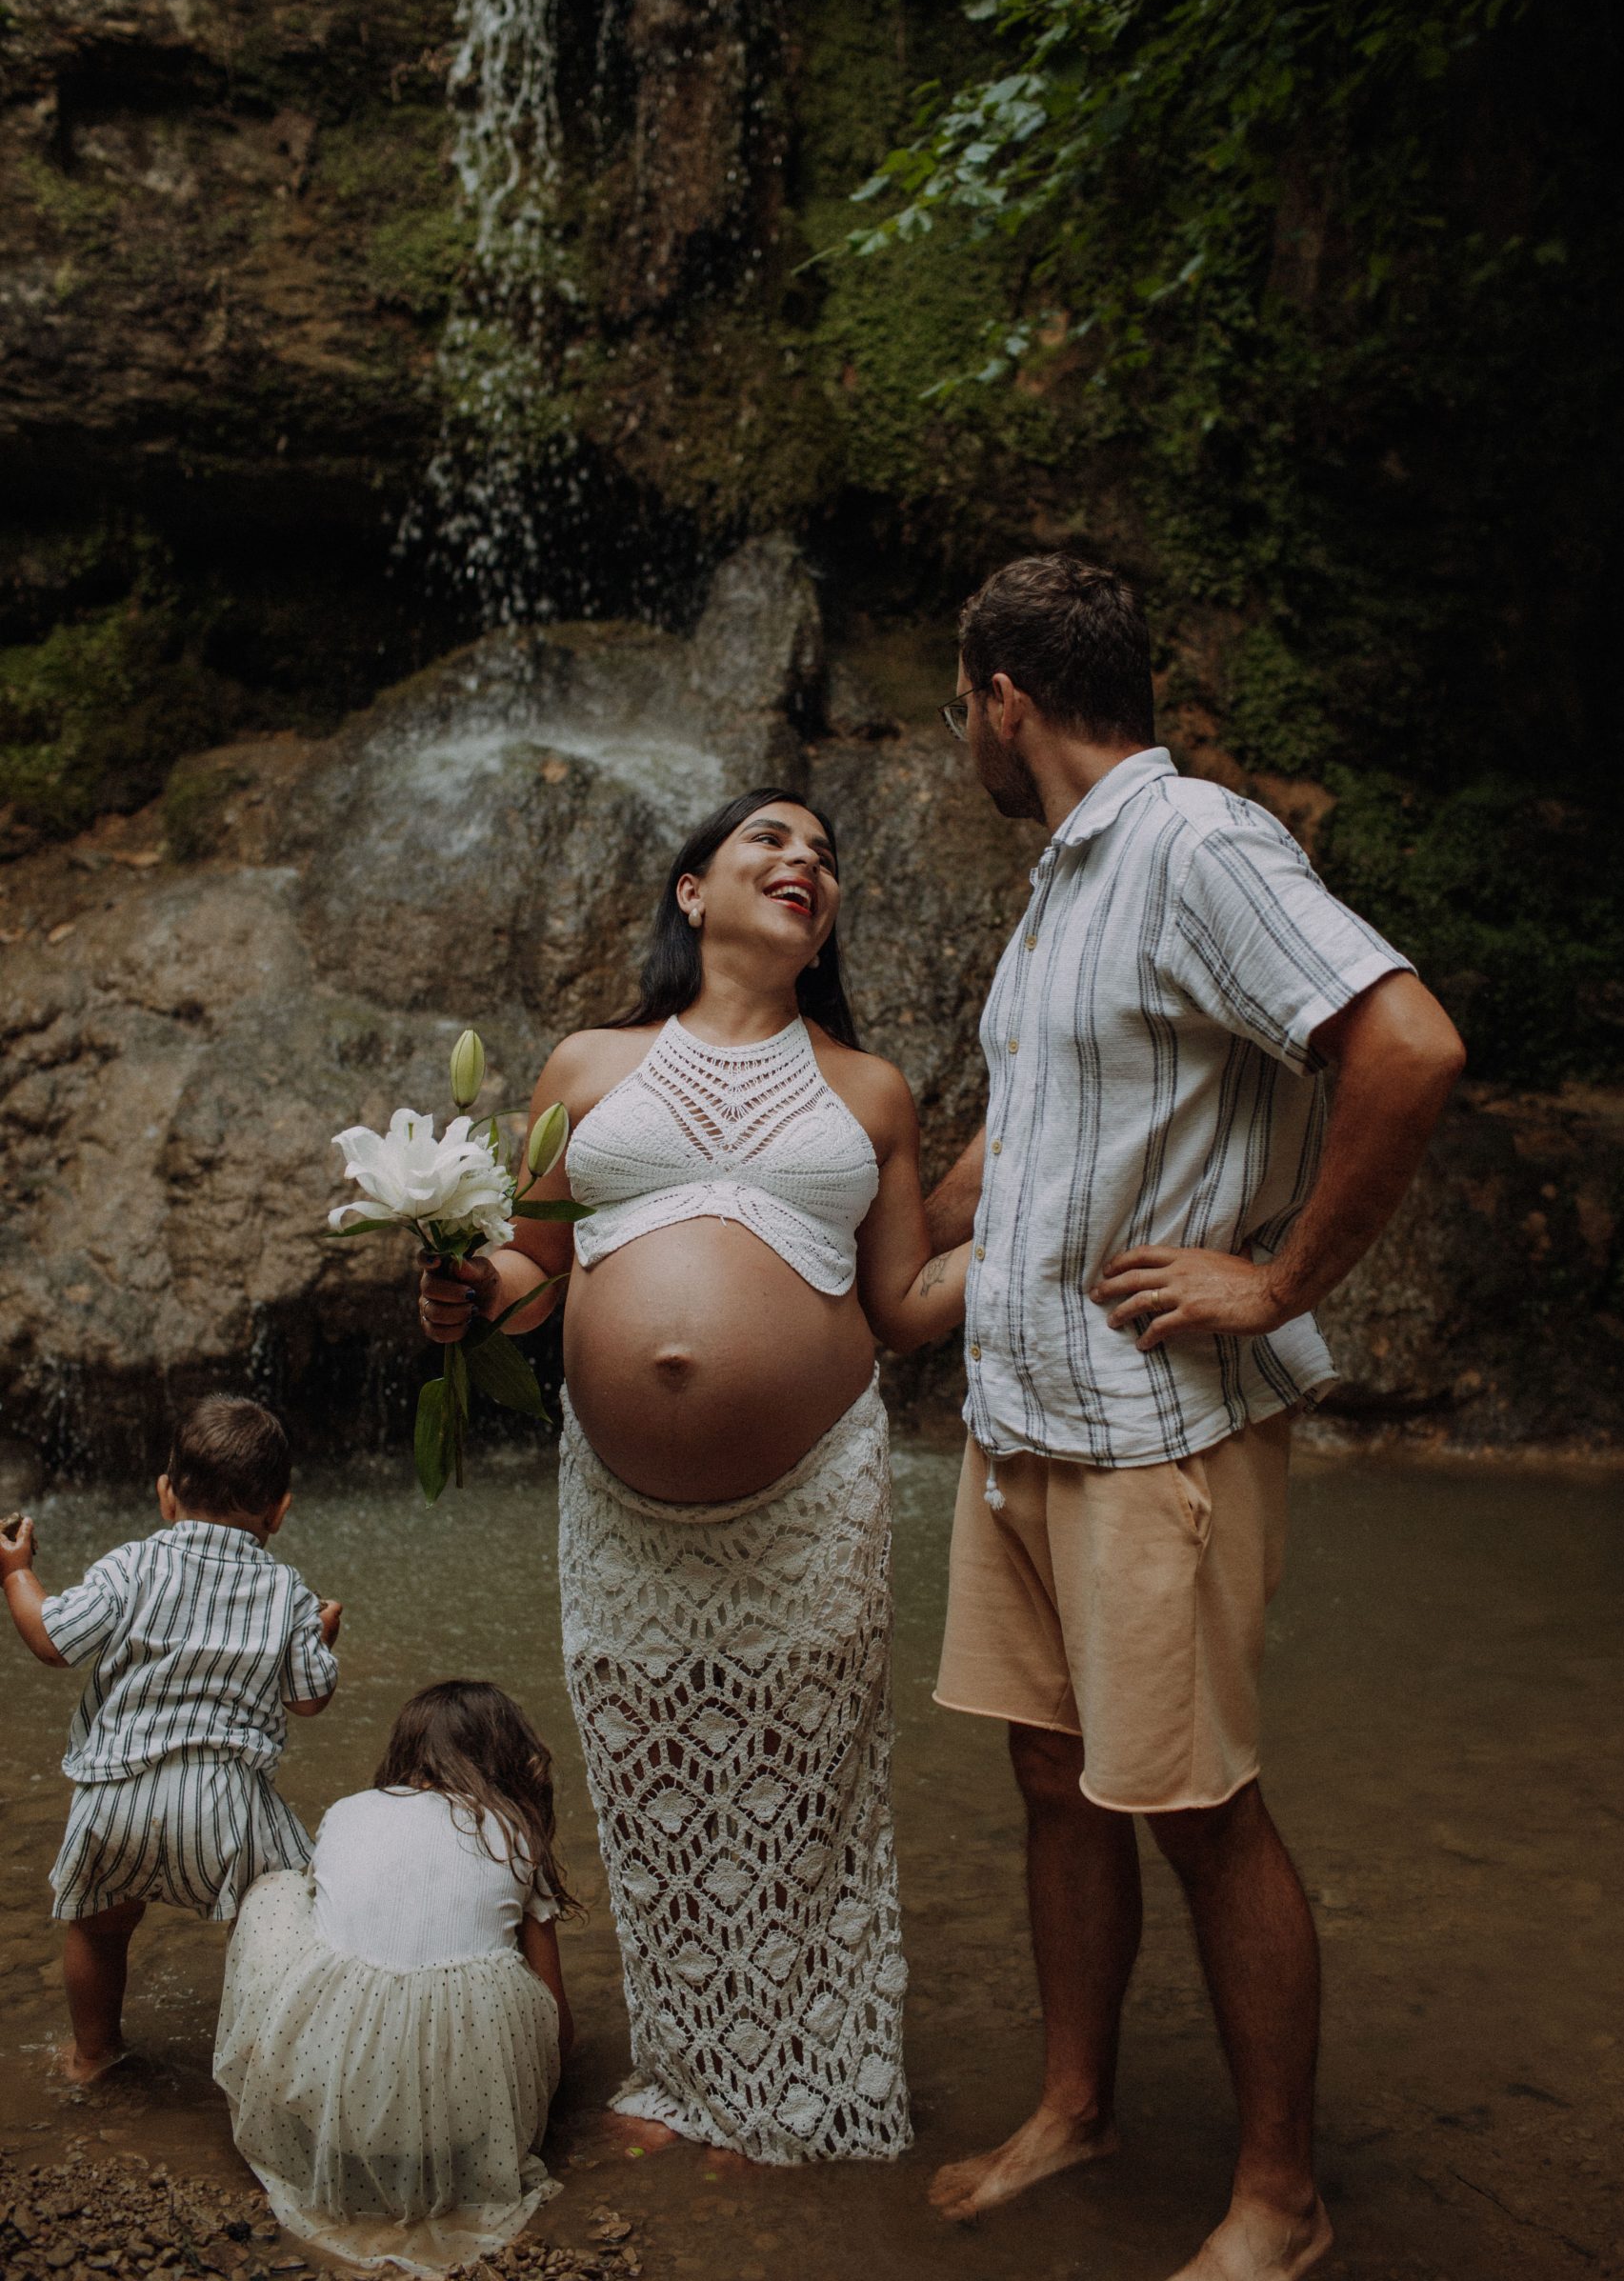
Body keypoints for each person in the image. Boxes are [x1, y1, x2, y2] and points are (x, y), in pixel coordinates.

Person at [923, 555, 1466, 2281]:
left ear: (1004, 698)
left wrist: (1280, 1280)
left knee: (1198, 1805)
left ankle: (1279, 2200)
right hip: (1022, 1417)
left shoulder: (1195, 845)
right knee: (1050, 1776)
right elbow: (1026, 1141)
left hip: (1156, 1426)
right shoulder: (1061, 884)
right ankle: (1077, 2105)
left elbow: (1407, 1043)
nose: (962, 735)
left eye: (961, 707)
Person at [417, 788, 971, 2165]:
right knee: (650, 1771)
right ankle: (686, 2067)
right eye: (770, 842)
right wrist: (459, 1285)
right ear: (690, 891)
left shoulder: (867, 1088)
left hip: (812, 1496)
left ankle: (801, 2077)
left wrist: (1030, 1203)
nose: (804, 864)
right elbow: (534, 1273)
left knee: (805, 1783)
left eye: (825, 856)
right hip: (620, 1509)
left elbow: (901, 1308)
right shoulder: (587, 1067)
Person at [0, 1394, 341, 2085]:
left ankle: (92, 2058)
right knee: (287, 1916)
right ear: (279, 1511)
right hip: (224, 1808)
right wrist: (320, 1638)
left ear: (165, 1496)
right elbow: (308, 1700)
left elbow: (53, 1641)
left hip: (116, 1798)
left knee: (98, 1928)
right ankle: (272, 2066)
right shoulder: (287, 1593)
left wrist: (16, 1572)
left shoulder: (131, 1566)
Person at [214, 1680, 574, 2275]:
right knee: (496, 1973)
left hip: (338, 2113)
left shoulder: (349, 1811)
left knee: (275, 1895)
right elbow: (560, 2026)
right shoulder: (515, 1833)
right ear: (506, 1754)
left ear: (407, 1750)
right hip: (470, 2119)